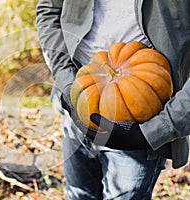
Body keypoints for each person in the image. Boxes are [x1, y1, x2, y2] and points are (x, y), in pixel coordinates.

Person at [36, 0, 190, 199]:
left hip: (138, 122)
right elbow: (49, 9)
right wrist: (68, 82)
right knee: (79, 195)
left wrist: (154, 131)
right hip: (78, 104)